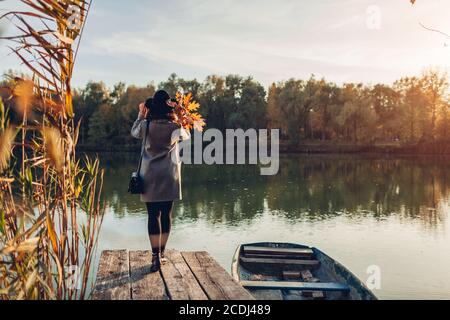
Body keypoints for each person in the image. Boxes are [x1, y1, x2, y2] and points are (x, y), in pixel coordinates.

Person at [131, 90, 190, 272]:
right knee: (166, 215)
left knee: (152, 216)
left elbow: (134, 132)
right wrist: (180, 114)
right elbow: (186, 135)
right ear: (167, 106)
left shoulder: (146, 126)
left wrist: (141, 114)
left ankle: (155, 256)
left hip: (149, 176)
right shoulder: (174, 126)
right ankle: (162, 254)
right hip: (169, 175)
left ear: (152, 107)